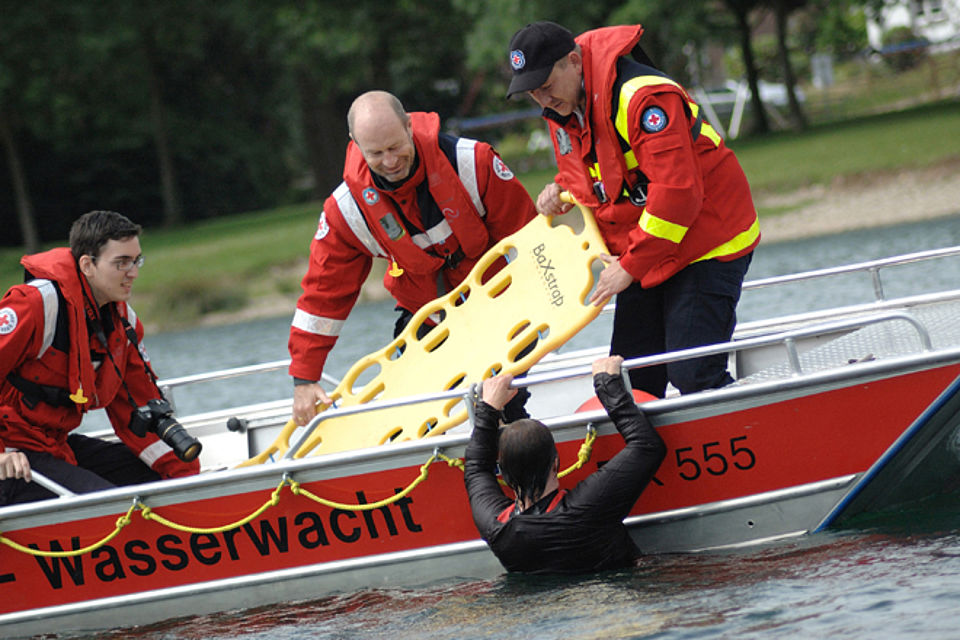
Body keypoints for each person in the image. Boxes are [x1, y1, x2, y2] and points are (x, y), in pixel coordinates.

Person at [505, 21, 760, 397]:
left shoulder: (642, 98)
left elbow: (677, 195)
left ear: (574, 62)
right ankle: (649, 452)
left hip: (709, 241)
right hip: (647, 250)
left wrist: (628, 266)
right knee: (628, 382)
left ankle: (755, 430)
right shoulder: (564, 106)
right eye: (532, 92)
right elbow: (595, 175)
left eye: (545, 86)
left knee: (692, 374)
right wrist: (561, 192)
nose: (542, 99)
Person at [289, 90, 538, 426]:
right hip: (427, 319)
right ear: (355, 144)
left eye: (395, 147)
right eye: (376, 153)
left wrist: (545, 311)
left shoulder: (472, 163)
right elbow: (323, 296)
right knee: (411, 416)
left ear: (408, 126)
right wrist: (305, 378)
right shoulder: (346, 210)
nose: (389, 161)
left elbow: (533, 241)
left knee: (503, 413)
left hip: (499, 308)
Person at [0, 210, 200, 506]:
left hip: (53, 445)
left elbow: (140, 408)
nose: (133, 272)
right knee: (107, 506)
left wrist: (192, 483)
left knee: (157, 482)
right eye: (121, 263)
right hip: (12, 455)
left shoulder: (123, 325)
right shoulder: (34, 305)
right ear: (87, 265)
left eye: (136, 260)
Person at [464, 355, 665, 573]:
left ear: (501, 471)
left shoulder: (496, 528)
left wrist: (488, 407)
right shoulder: (586, 506)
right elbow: (647, 446)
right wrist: (606, 384)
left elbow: (476, 468)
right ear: (556, 463)